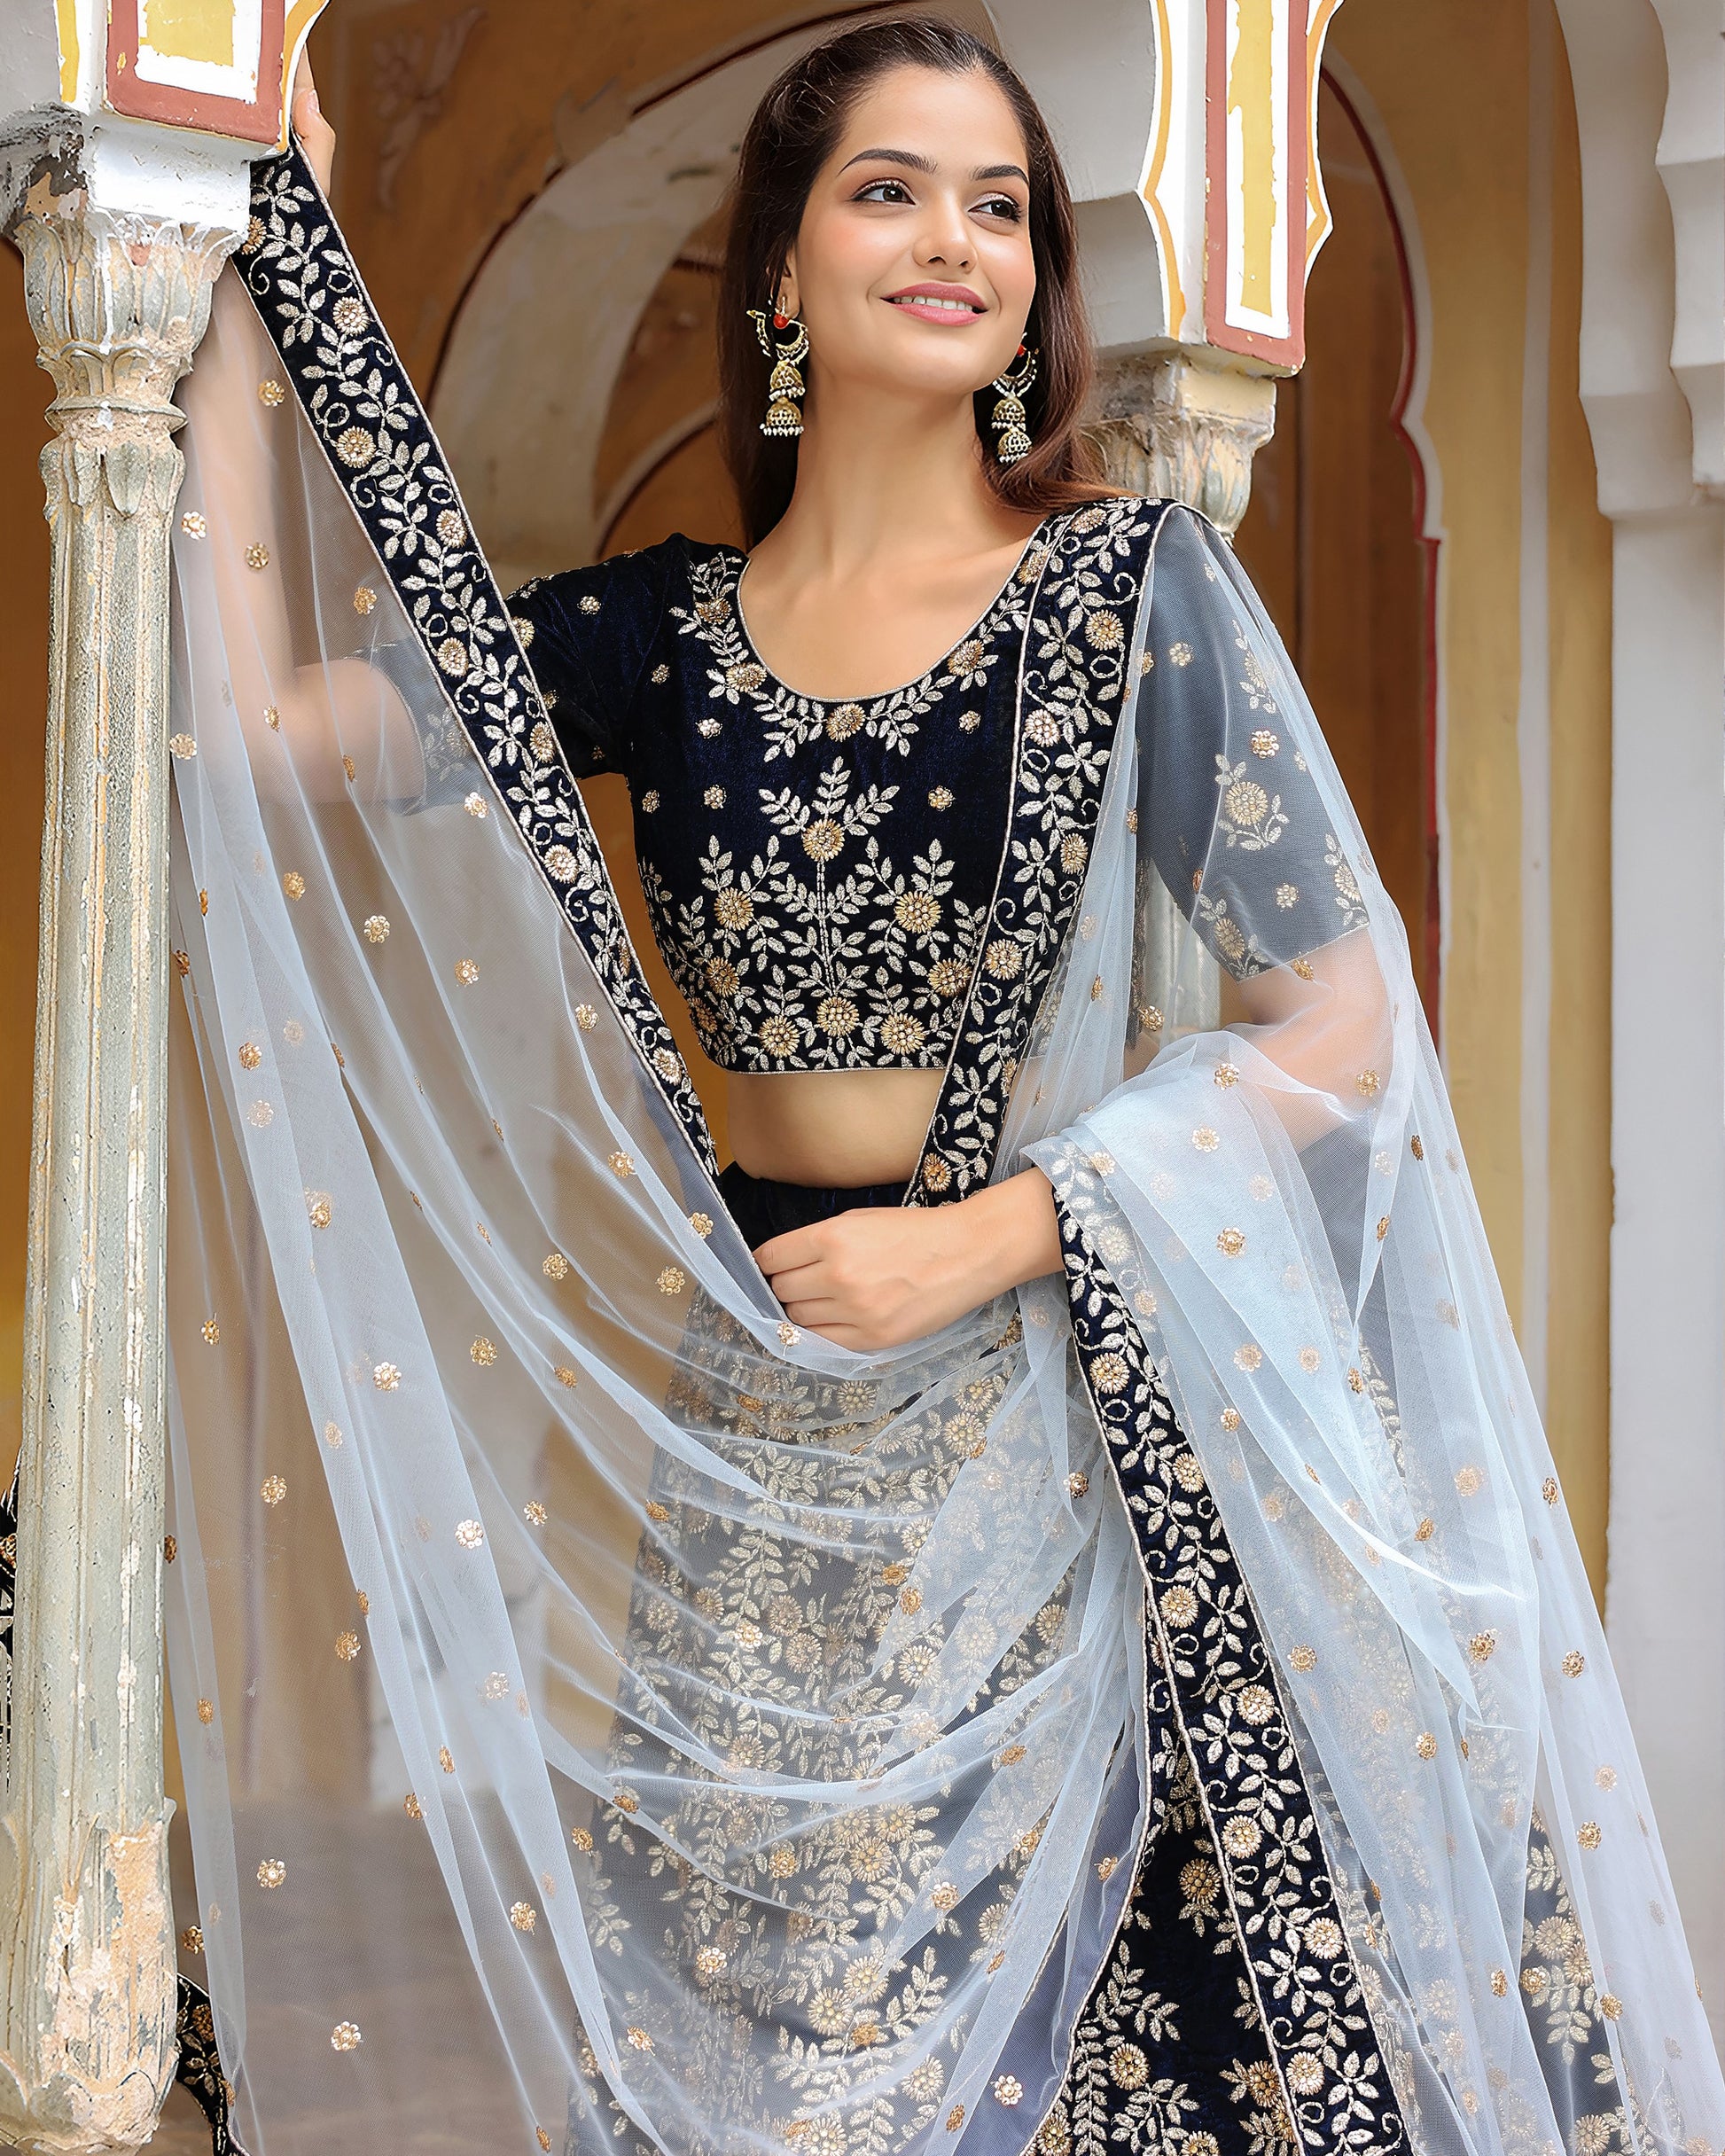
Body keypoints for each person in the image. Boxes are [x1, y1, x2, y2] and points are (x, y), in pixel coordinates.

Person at [151, 20, 1721, 2156]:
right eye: (889, 190)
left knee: (1068, 2035)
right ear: (779, 274)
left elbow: (1344, 1018)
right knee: (763, 2019)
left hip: (1035, 1397)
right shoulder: (657, 636)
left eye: (999, 206)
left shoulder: (1124, 603)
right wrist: (261, 282)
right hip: (762, 1407)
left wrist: (1005, 1226)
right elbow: (262, 725)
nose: (956, 242)